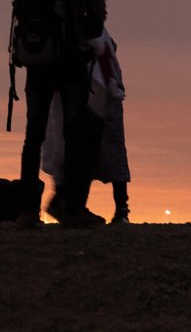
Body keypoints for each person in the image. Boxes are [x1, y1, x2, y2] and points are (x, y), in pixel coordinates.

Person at [16, 0, 109, 228]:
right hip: (71, 65)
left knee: (33, 136)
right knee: (77, 133)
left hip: (37, 63)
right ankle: (69, 205)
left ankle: (27, 210)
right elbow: (96, 24)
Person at [42, 31, 132, 224]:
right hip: (96, 94)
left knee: (73, 150)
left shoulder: (71, 29)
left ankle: (68, 202)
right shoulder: (94, 31)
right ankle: (114, 208)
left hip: (83, 92)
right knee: (94, 151)